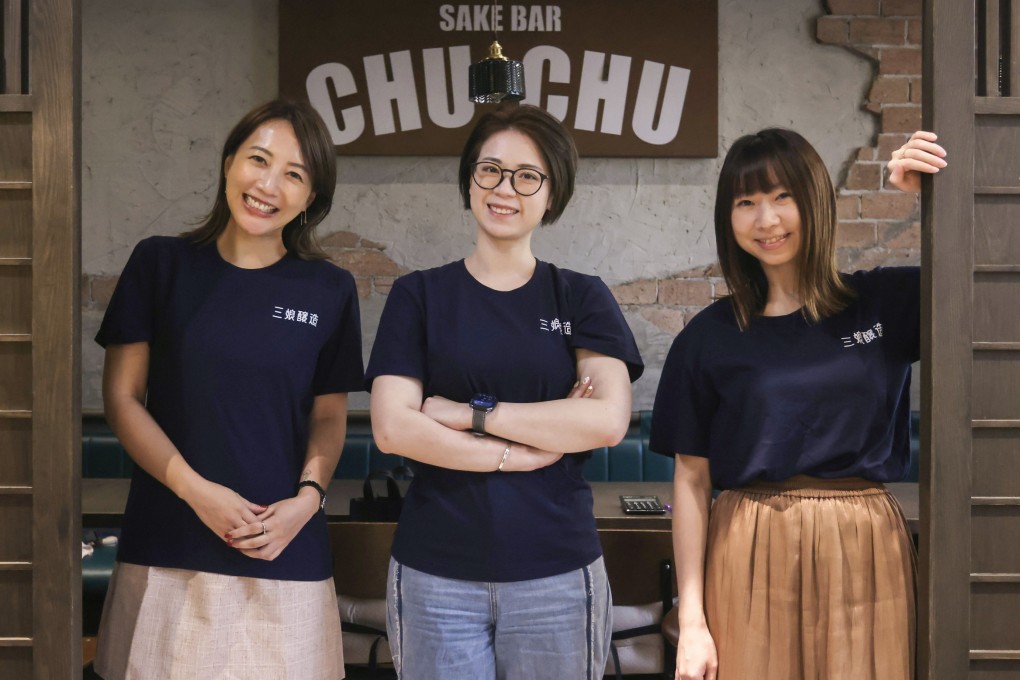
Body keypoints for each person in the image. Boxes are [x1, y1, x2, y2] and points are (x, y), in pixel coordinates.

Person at [650, 129, 947, 680]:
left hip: (864, 541)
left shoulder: (884, 303)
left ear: (814, 199)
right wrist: (692, 622)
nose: (766, 220)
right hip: (747, 543)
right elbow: (691, 480)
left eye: (782, 196)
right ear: (728, 219)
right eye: (746, 203)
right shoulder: (708, 337)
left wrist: (926, 201)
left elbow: (988, 282)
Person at [365, 103, 644, 680]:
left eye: (527, 176)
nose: (504, 188)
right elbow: (394, 427)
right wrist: (517, 454)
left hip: (558, 572)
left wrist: (467, 414)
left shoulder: (580, 297)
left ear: (551, 194)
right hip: (435, 573)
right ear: (469, 180)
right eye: (489, 169)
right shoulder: (418, 296)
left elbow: (607, 421)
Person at [93, 99, 363, 680]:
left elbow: (328, 418)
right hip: (169, 545)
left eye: (294, 174)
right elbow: (121, 399)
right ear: (227, 163)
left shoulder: (330, 289)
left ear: (310, 198)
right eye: (258, 160)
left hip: (285, 547)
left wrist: (307, 502)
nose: (269, 184)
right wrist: (197, 492)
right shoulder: (160, 265)